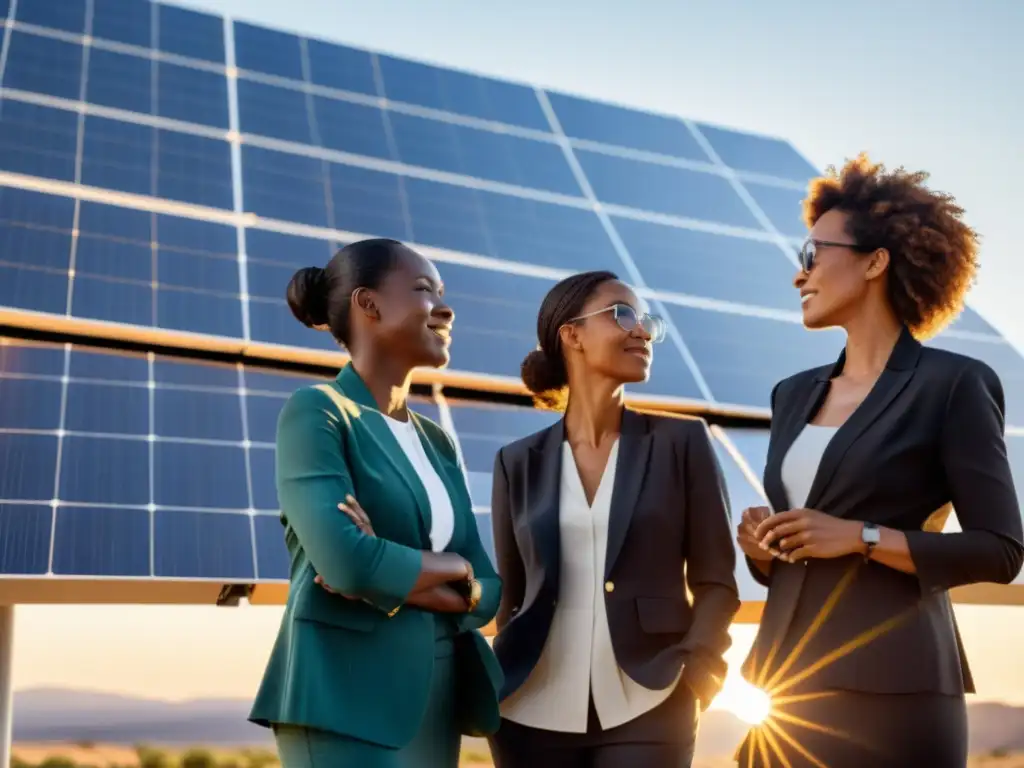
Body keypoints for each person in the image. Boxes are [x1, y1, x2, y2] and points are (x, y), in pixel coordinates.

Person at [735, 155, 1024, 768]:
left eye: (813, 255)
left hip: (898, 689)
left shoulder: (953, 384)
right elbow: (808, 548)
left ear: (875, 261)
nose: (799, 275)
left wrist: (859, 537)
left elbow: (1000, 550)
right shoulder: (792, 394)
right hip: (786, 687)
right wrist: (766, 552)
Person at [248, 238, 503, 768]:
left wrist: (403, 566)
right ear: (369, 304)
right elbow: (344, 563)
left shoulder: (436, 441)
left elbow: (490, 589)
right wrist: (451, 568)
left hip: (435, 697)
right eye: (423, 290)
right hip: (344, 695)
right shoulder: (318, 412)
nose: (446, 307)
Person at [487, 270, 741, 768]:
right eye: (623, 314)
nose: (642, 331)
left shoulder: (682, 444)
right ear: (572, 334)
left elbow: (716, 581)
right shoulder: (516, 462)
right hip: (528, 709)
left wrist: (698, 668)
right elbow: (512, 597)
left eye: (647, 321)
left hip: (652, 698)